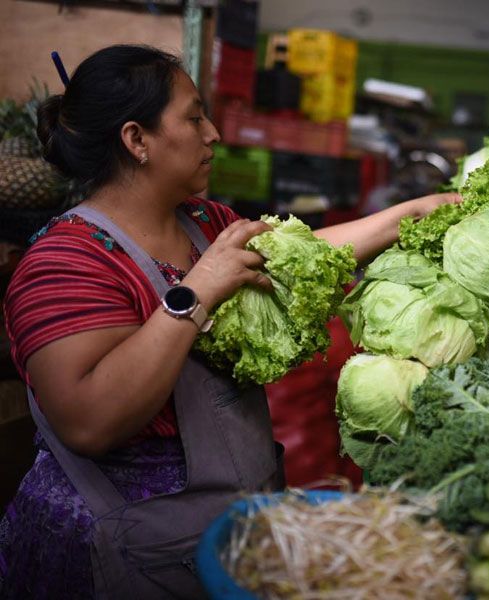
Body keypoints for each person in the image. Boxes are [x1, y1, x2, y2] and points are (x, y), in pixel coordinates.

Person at [0, 44, 459, 599]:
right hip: (113, 550)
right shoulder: (66, 263)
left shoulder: (203, 223)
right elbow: (90, 422)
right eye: (194, 118)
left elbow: (302, 254)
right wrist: (195, 292)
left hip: (224, 529)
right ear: (136, 140)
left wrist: (416, 213)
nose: (214, 133)